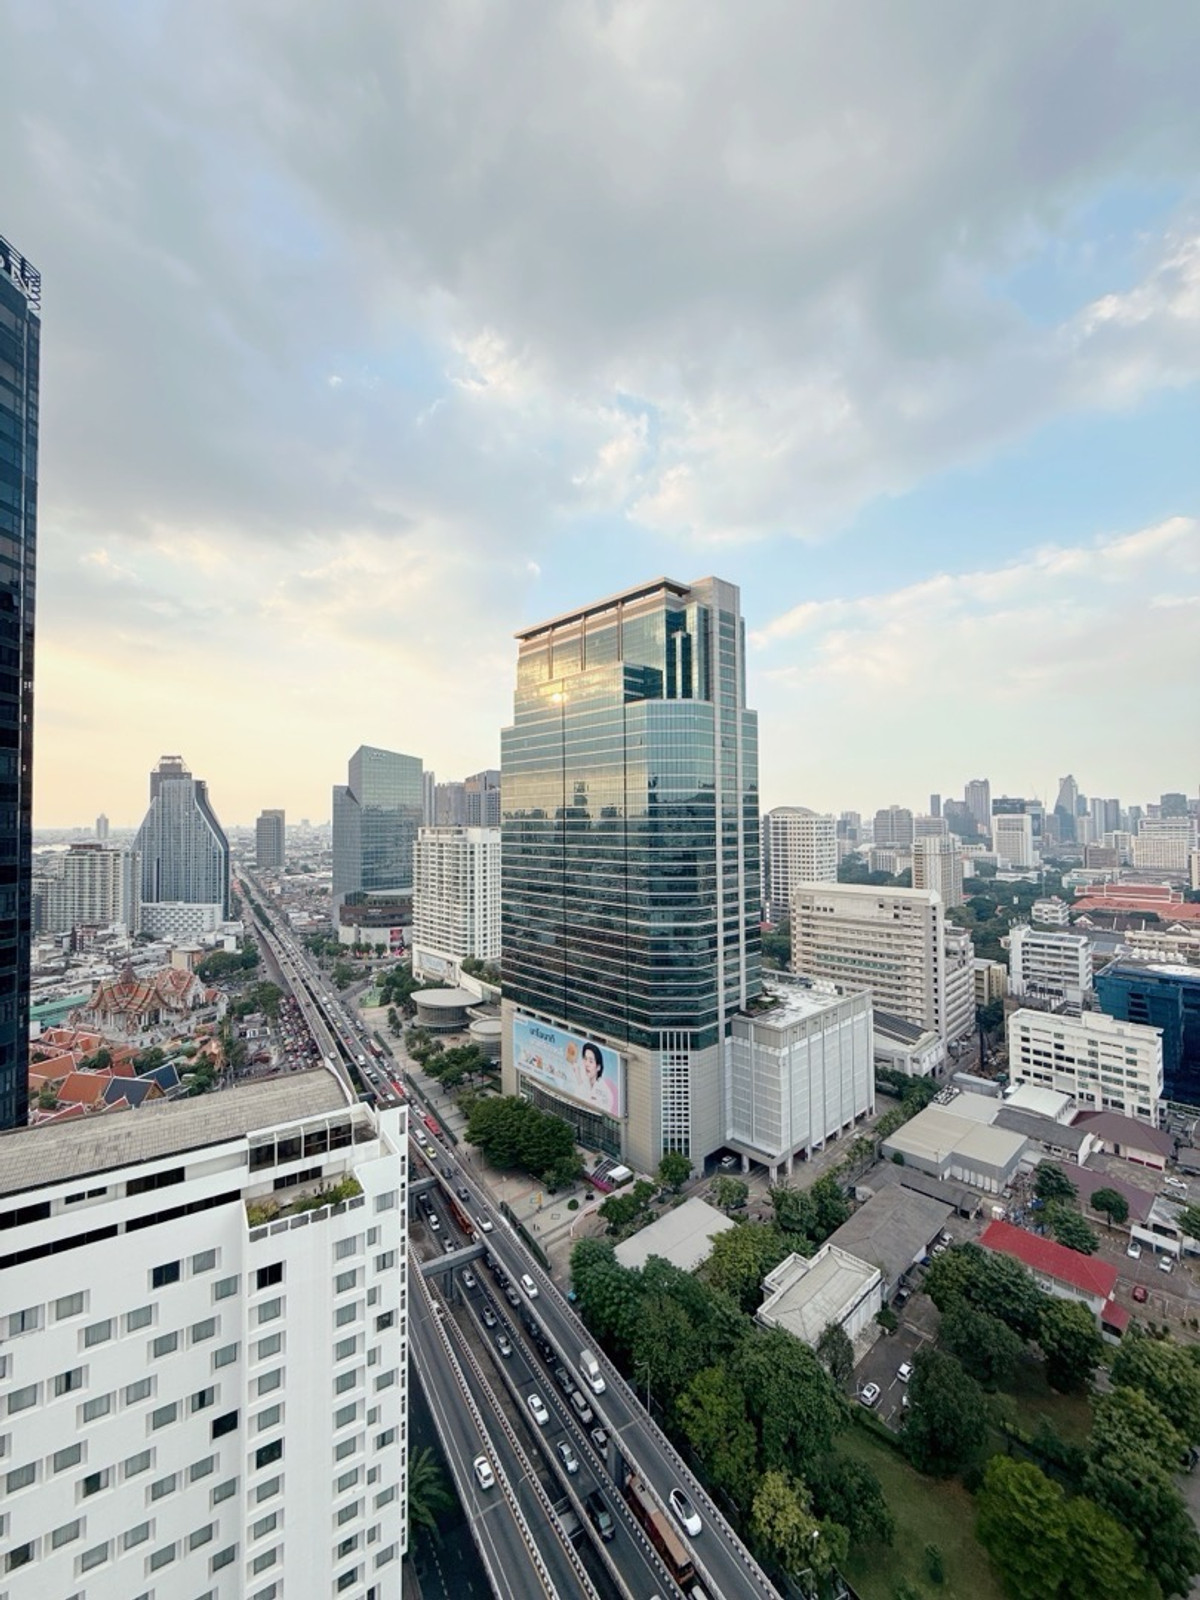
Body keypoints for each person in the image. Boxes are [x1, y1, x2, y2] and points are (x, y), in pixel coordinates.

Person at [580, 1041, 618, 1116]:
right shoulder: (583, 1085)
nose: (587, 1064)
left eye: (591, 1061)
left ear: (598, 1067)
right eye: (585, 1059)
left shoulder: (606, 1088)